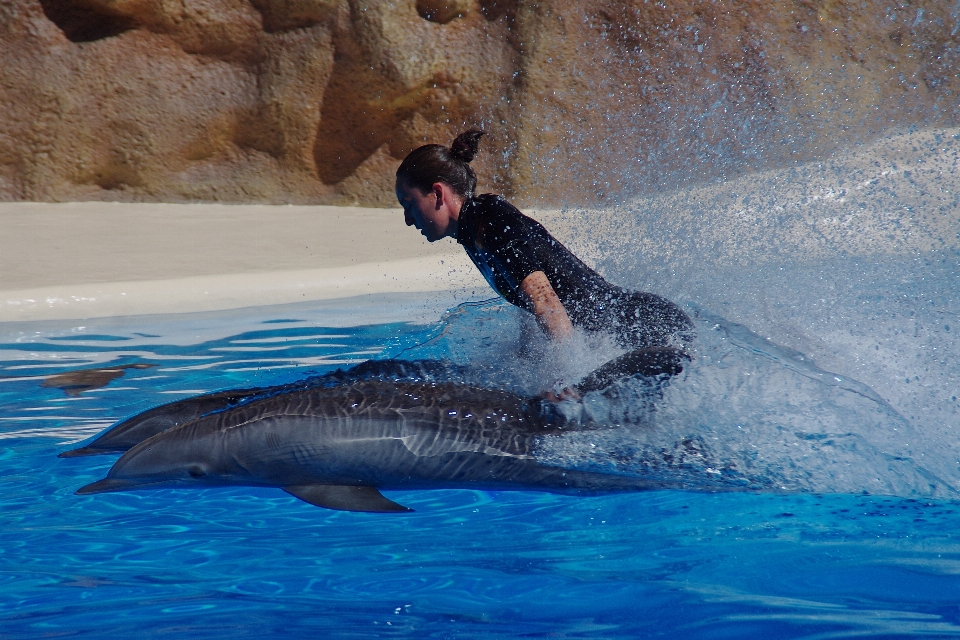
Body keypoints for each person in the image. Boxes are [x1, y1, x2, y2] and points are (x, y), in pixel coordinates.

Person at [395, 129, 694, 363]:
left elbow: (545, 300)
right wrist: (525, 361)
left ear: (437, 193)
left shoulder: (490, 222)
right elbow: (530, 306)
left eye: (409, 204)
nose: (409, 220)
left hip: (648, 332)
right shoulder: (473, 229)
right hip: (630, 333)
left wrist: (561, 380)